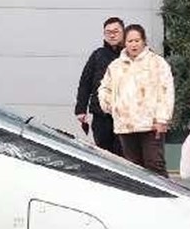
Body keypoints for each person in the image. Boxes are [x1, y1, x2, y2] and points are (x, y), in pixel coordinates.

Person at [98, 23, 175, 174]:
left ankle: (161, 191)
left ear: (144, 41)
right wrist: (113, 105)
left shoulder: (157, 63)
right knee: (133, 168)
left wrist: (162, 119)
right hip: (125, 125)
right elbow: (105, 88)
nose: (133, 45)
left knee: (154, 164)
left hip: (151, 124)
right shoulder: (115, 66)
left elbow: (166, 92)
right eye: (130, 41)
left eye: (137, 41)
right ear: (124, 42)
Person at [74, 16, 125, 154]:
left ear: (123, 32)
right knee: (103, 153)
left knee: (124, 154)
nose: (112, 35)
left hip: (125, 115)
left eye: (116, 31)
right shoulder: (98, 55)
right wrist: (80, 109)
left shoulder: (130, 54)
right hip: (101, 114)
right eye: (108, 32)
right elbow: (85, 82)